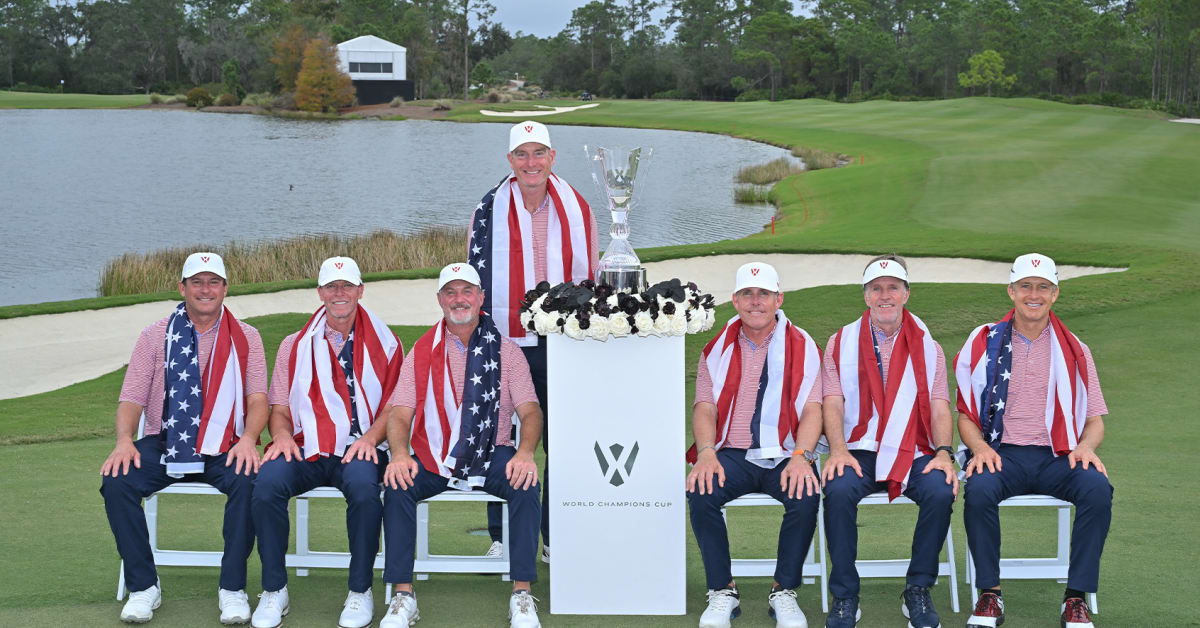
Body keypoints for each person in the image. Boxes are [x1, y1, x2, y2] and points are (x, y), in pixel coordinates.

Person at [100, 252, 268, 624]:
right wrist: (124, 440)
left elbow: (258, 399)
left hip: (225, 444)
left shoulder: (247, 338)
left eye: (213, 282)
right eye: (197, 282)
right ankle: (144, 587)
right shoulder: (155, 334)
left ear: (225, 288)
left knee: (251, 481)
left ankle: (233, 588)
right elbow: (131, 397)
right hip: (164, 442)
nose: (205, 290)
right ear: (182, 287)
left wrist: (249, 438)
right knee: (116, 480)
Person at [378, 263, 544, 628]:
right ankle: (403, 596)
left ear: (481, 297)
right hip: (436, 453)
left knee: (527, 482)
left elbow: (530, 411)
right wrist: (401, 454)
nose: (459, 299)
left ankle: (521, 593)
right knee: (397, 483)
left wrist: (525, 452)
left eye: (466, 291)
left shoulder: (506, 351)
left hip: (492, 451)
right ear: (440, 300)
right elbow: (400, 413)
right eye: (450, 292)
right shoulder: (422, 350)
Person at [467, 120, 598, 562]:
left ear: (552, 157)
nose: (530, 162)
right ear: (510, 161)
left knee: (560, 439)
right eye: (521, 154)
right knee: (500, 436)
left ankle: (552, 533)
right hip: (505, 342)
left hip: (563, 341)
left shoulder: (577, 208)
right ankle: (502, 536)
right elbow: (475, 274)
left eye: (538, 153)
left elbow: (593, 274)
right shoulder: (487, 209)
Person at [957, 253, 1111, 628]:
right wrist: (978, 448)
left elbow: (1094, 420)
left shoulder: (1075, 349)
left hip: (1058, 455)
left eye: (1043, 287)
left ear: (1055, 294)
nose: (1034, 294)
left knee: (1097, 489)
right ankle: (989, 594)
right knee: (978, 491)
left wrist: (1086, 447)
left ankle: (1075, 598)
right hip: (1002, 452)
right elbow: (965, 414)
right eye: (1025, 286)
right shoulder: (984, 341)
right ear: (1011, 291)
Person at [249, 257, 404, 628]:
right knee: (266, 484)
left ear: (360, 290)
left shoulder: (387, 343)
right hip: (306, 444)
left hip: (359, 445)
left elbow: (395, 408)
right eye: (331, 286)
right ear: (320, 293)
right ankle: (274, 589)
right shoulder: (294, 345)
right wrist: (282, 435)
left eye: (347, 286)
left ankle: (359, 590)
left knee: (366, 493)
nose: (339, 293)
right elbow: (280, 407)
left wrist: (369, 438)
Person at [819, 255, 958, 628]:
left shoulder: (929, 346)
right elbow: (832, 401)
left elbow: (940, 406)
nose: (885, 295)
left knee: (941, 489)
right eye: (876, 288)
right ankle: (845, 595)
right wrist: (837, 450)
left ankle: (918, 588)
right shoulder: (840, 341)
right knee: (837, 487)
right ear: (866, 296)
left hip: (913, 450)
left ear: (906, 294)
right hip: (859, 449)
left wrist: (944, 453)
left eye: (893, 287)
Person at [685, 261, 824, 628]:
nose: (756, 301)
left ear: (779, 299)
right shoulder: (716, 348)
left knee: (805, 495)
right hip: (733, 452)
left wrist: (802, 457)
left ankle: (784, 590)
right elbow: (705, 407)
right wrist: (706, 452)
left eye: (764, 294)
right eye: (747, 293)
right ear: (734, 300)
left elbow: (813, 409)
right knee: (701, 491)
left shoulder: (805, 345)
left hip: (785, 451)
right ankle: (722, 590)